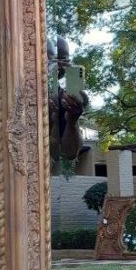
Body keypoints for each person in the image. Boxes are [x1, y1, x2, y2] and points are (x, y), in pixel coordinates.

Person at [47, 37, 88, 173]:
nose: (61, 65)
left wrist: (72, 121)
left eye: (65, 60)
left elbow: (71, 153)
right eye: (54, 59)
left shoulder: (64, 99)